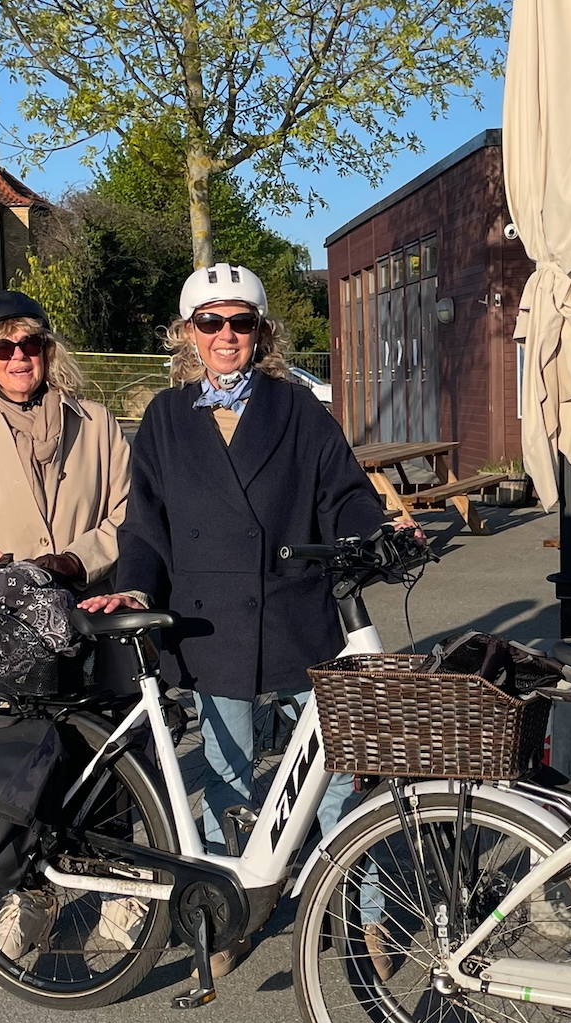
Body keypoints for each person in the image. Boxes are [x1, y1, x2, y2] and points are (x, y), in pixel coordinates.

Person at [86, 262, 386, 953]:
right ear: (189, 334)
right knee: (228, 780)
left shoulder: (299, 409)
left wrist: (372, 533)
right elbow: (145, 525)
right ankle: (236, 911)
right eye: (210, 322)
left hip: (297, 613)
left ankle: (362, 908)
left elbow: (345, 495)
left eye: (240, 322)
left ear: (261, 332)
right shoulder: (165, 418)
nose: (226, 335)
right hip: (210, 621)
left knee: (336, 776)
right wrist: (135, 586)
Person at [0, 291, 131, 590]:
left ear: (47, 352)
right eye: (2, 348)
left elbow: (129, 511)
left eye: (30, 344)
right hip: (5, 609)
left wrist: (79, 560)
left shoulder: (96, 423)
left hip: (88, 603)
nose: (19, 356)